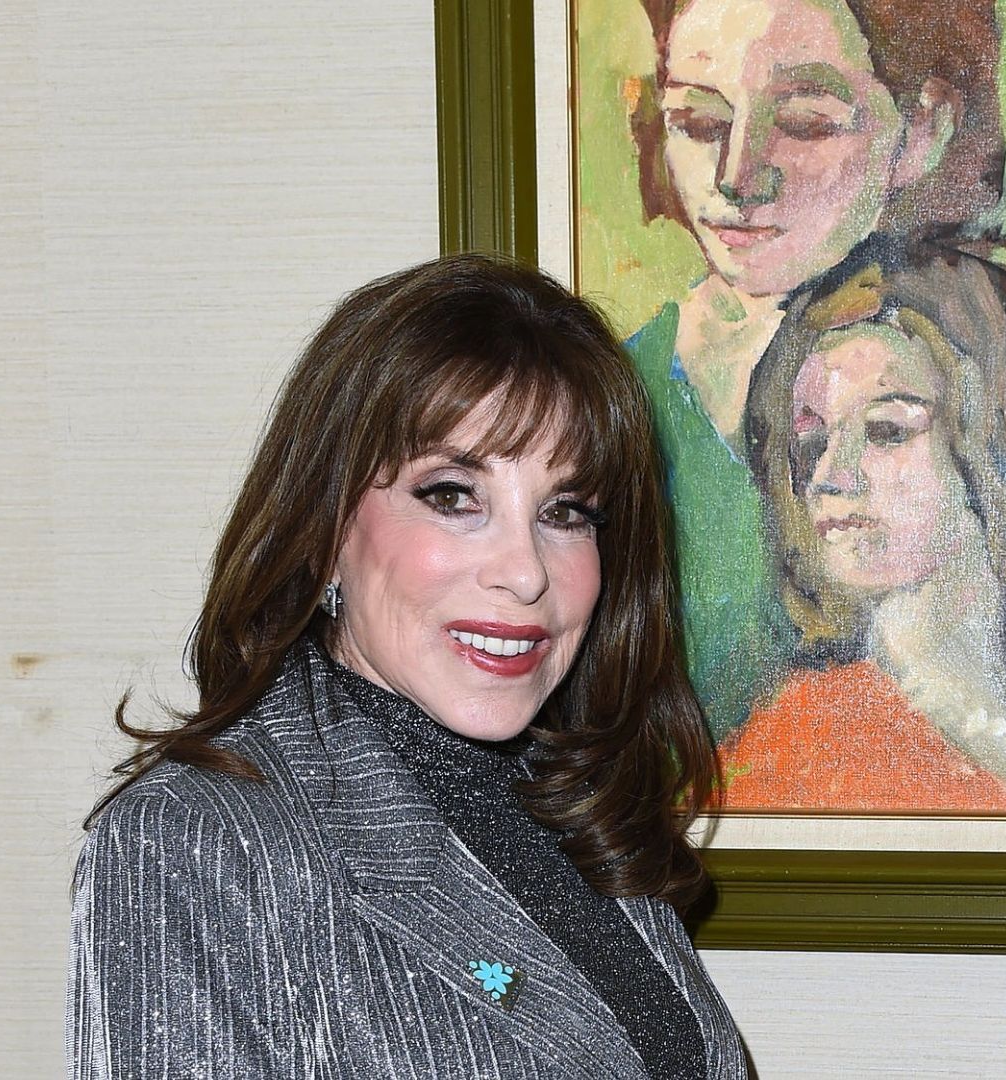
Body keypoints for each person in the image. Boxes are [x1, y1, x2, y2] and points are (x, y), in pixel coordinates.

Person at [69, 255, 746, 1078]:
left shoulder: (566, 798)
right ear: (324, 528)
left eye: (565, 511)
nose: (526, 572)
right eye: (454, 495)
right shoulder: (199, 841)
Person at [625, 0, 1004, 731]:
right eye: (699, 123)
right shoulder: (618, 390)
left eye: (804, 124)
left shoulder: (983, 358)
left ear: (923, 130)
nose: (737, 178)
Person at [723, 244, 1006, 811]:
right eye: (811, 440)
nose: (827, 479)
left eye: (887, 430)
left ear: (1004, 437)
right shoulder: (799, 744)